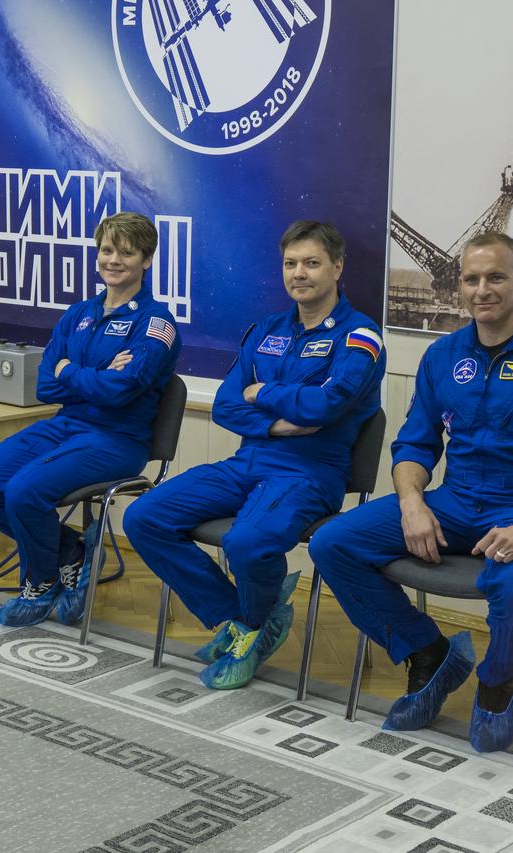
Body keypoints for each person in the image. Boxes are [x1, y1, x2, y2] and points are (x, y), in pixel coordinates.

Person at [308, 231, 513, 753]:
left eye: (495, 277)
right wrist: (411, 503)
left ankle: (496, 681)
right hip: (454, 501)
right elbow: (413, 445)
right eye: (471, 278)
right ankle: (428, 652)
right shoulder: (443, 355)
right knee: (332, 544)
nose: (481, 289)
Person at [123, 221, 385, 689]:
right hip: (248, 461)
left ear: (337, 267)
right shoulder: (265, 331)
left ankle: (250, 626)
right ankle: (245, 620)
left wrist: (262, 390)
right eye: (290, 263)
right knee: (145, 516)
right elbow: (226, 404)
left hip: (311, 473)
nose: (298, 273)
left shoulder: (360, 336)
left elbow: (327, 406)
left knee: (245, 542)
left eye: (311, 262)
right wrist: (277, 421)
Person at [0, 212, 180, 627]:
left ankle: (40, 583)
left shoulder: (156, 324)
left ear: (146, 261)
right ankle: (70, 553)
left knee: (25, 490)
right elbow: (45, 384)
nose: (113, 260)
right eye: (106, 250)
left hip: (117, 440)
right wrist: (89, 374)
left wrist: (69, 370)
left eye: (126, 253)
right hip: (65, 426)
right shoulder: (78, 313)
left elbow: (121, 392)